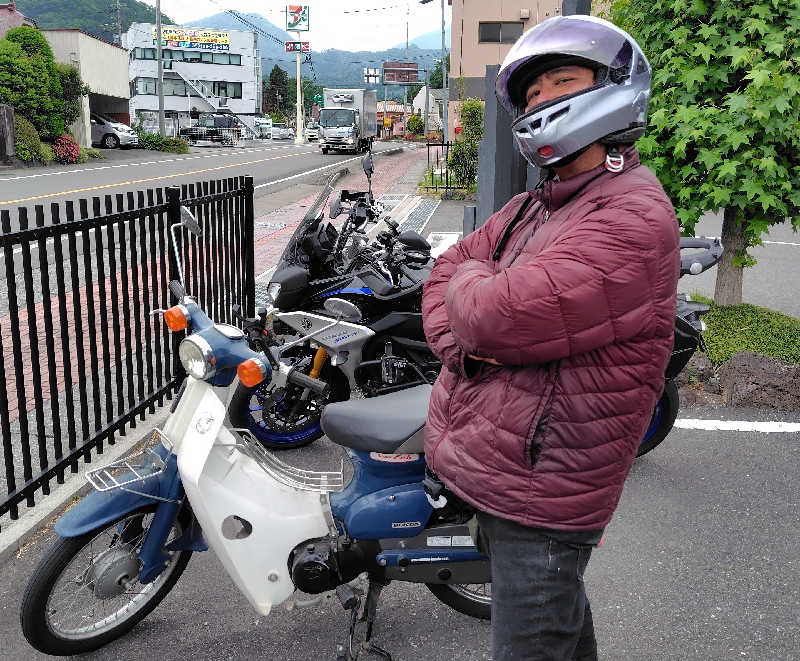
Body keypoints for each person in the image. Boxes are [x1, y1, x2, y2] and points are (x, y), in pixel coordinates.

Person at [421, 15, 680, 661]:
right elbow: (443, 279)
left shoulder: (631, 214)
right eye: (533, 94)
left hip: (546, 496)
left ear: (615, 90)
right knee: (561, 636)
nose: (544, 102)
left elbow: (488, 313)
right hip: (514, 477)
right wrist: (464, 344)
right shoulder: (541, 204)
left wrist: (474, 305)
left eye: (562, 81)